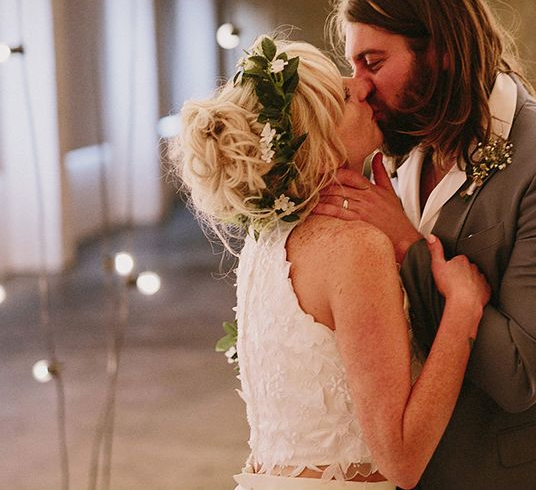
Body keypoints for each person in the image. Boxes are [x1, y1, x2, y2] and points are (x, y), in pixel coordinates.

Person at [316, 0, 536, 489]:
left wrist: (409, 245)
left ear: (440, 52)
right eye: (355, 65)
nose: (360, 86)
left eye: (374, 62)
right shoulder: (393, 150)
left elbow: (520, 375)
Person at [168, 35, 490, 490]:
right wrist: (462, 308)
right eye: (342, 95)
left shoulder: (266, 243)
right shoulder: (354, 247)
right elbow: (401, 459)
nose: (360, 87)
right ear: (320, 138)